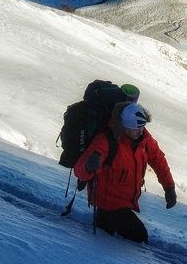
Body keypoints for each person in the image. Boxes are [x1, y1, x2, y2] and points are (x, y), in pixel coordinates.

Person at [73, 101, 177, 243]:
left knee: (110, 237)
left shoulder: (143, 139)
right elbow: (80, 169)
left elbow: (158, 159)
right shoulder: (106, 141)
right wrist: (89, 166)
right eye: (137, 128)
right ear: (125, 128)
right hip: (108, 204)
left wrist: (169, 187)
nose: (141, 131)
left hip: (124, 203)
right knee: (138, 237)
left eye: (143, 127)